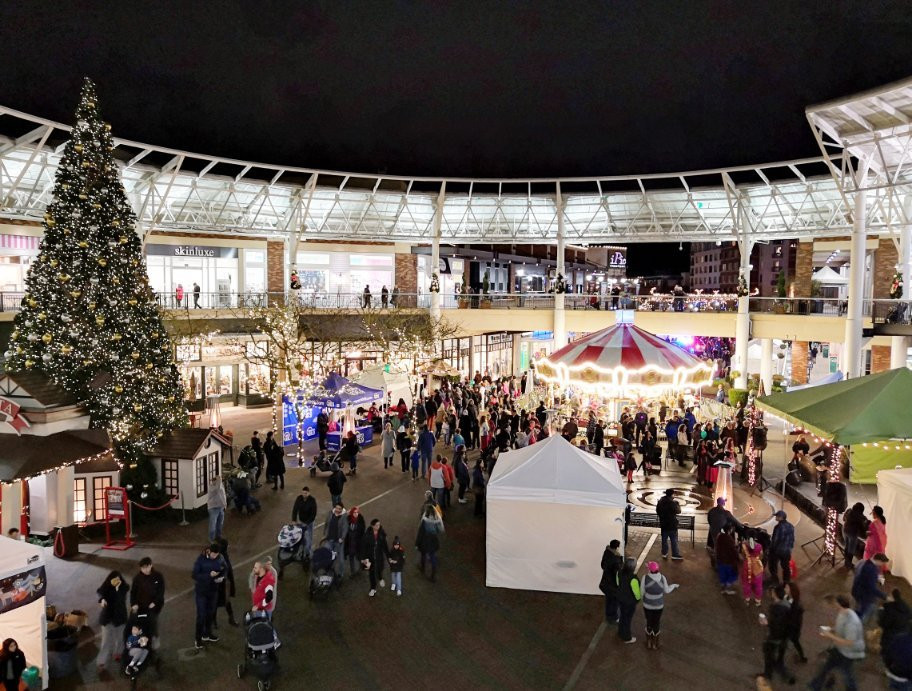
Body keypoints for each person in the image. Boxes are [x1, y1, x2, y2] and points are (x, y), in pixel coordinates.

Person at [808, 593, 865, 691]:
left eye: (835, 603)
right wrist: (831, 629)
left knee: (846, 673)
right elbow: (842, 627)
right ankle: (816, 685)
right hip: (839, 649)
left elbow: (849, 642)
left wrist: (830, 635)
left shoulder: (852, 622)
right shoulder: (843, 612)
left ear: (839, 604)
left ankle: (851, 689)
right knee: (827, 666)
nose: (833, 605)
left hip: (848, 653)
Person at [758, 585, 795, 686]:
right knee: (771, 657)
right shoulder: (786, 604)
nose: (771, 593)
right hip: (783, 637)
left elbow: (777, 624)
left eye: (773, 592)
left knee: (769, 656)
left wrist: (766, 622)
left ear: (775, 594)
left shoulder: (777, 608)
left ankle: (784, 676)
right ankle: (770, 674)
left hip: (775, 637)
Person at [192, 543, 225, 649]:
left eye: (216, 555)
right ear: (209, 551)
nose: (214, 557)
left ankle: (207, 634)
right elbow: (194, 575)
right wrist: (208, 575)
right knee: (201, 616)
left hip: (213, 591)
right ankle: (198, 638)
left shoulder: (220, 558)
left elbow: (225, 568)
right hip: (201, 592)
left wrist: (222, 576)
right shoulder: (200, 560)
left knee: (210, 614)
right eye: (213, 554)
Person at [95, 570, 129, 672]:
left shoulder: (123, 588)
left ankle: (118, 653)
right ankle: (102, 661)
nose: (116, 581)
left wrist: (117, 589)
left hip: (120, 618)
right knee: (106, 641)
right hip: (108, 618)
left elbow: (120, 599)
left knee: (120, 638)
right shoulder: (106, 588)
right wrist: (102, 600)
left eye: (118, 579)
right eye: (113, 579)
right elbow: (101, 593)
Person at [641, 561, 679, 649]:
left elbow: (642, 592)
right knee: (656, 622)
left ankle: (648, 642)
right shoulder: (662, 577)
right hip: (659, 605)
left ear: (649, 570)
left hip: (647, 605)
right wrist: (673, 585)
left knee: (649, 622)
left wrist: (645, 599)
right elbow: (666, 590)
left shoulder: (645, 578)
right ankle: (655, 644)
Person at [130, 557, 165, 648]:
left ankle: (155, 641)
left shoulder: (158, 576)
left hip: (153, 607)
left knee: (153, 623)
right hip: (141, 607)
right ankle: (143, 643)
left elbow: (161, 591)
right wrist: (133, 604)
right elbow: (133, 592)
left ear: (151, 565)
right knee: (141, 625)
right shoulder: (137, 578)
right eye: (142, 568)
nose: (144, 570)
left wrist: (155, 602)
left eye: (146, 567)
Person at [852, 552, 889, 624]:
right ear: (879, 561)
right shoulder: (872, 570)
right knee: (863, 612)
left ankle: (855, 618)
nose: (882, 565)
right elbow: (872, 588)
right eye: (882, 563)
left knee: (858, 608)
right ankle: (857, 625)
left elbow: (861, 575)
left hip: (856, 590)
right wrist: (885, 596)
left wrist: (875, 577)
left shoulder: (863, 562)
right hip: (864, 595)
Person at [880, 589, 912, 665]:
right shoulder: (905, 606)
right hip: (902, 631)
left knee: (887, 649)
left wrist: (881, 612)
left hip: (890, 634)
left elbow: (884, 623)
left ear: (892, 596)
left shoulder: (889, 609)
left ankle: (888, 664)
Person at [212, 537, 238, 628]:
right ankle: (214, 621)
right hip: (217, 584)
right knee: (216, 603)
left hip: (223, 584)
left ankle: (229, 619)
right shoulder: (218, 556)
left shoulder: (222, 556)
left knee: (225, 602)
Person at [361, 518, 390, 597]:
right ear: (372, 526)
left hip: (379, 557)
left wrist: (388, 556)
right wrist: (363, 558)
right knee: (371, 573)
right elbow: (364, 547)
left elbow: (385, 546)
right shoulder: (367, 536)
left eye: (379, 525)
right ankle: (373, 588)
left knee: (380, 569)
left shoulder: (381, 534)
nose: (378, 526)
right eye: (377, 525)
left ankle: (380, 578)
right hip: (371, 559)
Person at [616, 557, 641, 643]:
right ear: (633, 567)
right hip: (629, 602)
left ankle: (620, 632)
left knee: (622, 616)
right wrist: (638, 599)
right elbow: (637, 593)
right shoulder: (633, 579)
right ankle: (626, 637)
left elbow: (617, 583)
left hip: (621, 599)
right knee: (627, 619)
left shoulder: (619, 573)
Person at [416, 504, 444, 582]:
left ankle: (422, 568)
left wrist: (417, 543)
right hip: (433, 541)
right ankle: (433, 575)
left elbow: (420, 533)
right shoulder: (436, 520)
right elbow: (440, 530)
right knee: (433, 557)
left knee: (423, 554)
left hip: (425, 541)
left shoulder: (425, 521)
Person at [599, 539, 623, 625]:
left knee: (609, 601)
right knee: (614, 601)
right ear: (616, 547)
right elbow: (618, 572)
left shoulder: (606, 552)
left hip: (605, 582)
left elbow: (602, 565)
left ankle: (608, 615)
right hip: (612, 585)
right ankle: (614, 617)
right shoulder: (616, 559)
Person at [323, 503, 349, 581]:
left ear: (341, 510)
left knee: (340, 560)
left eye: (339, 509)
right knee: (327, 557)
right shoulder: (330, 514)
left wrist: (342, 538)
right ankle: (328, 571)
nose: (337, 510)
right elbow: (326, 523)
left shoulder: (344, 517)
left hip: (338, 541)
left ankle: (340, 574)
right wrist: (324, 534)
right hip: (329, 539)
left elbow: (345, 528)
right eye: (337, 508)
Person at [656, 489, 683, 561]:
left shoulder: (660, 502)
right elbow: (678, 511)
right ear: (672, 494)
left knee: (664, 540)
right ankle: (675, 554)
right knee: (674, 540)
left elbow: (657, 511)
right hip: (672, 524)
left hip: (663, 524)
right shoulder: (673, 503)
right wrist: (677, 504)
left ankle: (664, 553)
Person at [769, 510, 794, 584]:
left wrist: (771, 549)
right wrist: (790, 548)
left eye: (777, 516)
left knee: (772, 564)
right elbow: (792, 539)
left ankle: (775, 579)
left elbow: (775, 540)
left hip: (778, 551)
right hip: (787, 551)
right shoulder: (791, 526)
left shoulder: (778, 527)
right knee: (785, 566)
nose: (775, 517)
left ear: (781, 517)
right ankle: (786, 581)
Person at [292, 486, 317, 559]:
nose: (304, 495)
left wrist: (307, 523)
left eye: (306, 493)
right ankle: (301, 550)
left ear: (309, 493)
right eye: (303, 493)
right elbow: (295, 509)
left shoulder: (312, 501)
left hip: (309, 523)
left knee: (309, 538)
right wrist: (294, 520)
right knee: (300, 537)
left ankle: (308, 553)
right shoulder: (299, 498)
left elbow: (313, 514)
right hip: (301, 521)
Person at [842, 502, 869, 570]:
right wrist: (865, 536)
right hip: (852, 533)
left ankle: (846, 562)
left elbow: (843, 518)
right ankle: (848, 564)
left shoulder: (849, 511)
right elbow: (862, 528)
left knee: (847, 546)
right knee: (851, 549)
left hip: (845, 530)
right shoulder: (860, 517)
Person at [715, 524, 740, 594]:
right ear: (730, 530)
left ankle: (723, 589)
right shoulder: (729, 539)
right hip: (728, 561)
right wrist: (737, 557)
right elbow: (733, 550)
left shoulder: (719, 536)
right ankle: (727, 589)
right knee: (732, 575)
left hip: (720, 559)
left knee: (723, 575)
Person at [206, 478, 226, 542]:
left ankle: (218, 537)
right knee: (213, 525)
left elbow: (223, 495)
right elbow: (217, 490)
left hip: (220, 508)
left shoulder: (221, 486)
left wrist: (225, 505)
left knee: (220, 524)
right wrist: (219, 481)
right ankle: (212, 539)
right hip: (213, 508)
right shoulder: (211, 487)